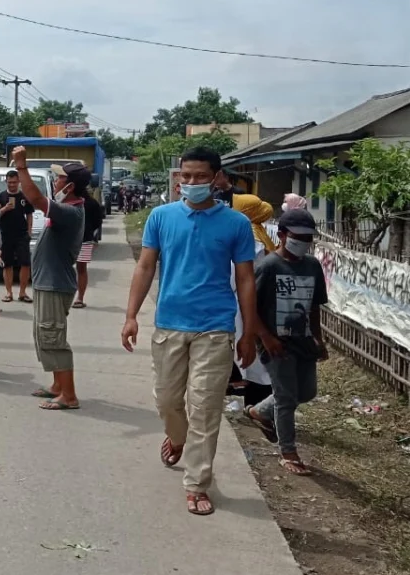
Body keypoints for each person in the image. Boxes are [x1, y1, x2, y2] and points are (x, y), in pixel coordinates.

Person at [121, 147, 262, 517]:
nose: (192, 183)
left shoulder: (236, 224)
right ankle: (178, 436)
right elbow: (145, 266)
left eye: (200, 176)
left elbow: (246, 279)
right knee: (167, 400)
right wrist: (131, 315)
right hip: (169, 324)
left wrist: (248, 332)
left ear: (216, 178)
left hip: (215, 328)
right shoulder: (161, 217)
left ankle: (197, 483)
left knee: (205, 408)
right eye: (186, 176)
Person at [244, 209, 328, 476]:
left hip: (303, 339)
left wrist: (318, 336)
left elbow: (314, 306)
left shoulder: (312, 266)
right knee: (286, 398)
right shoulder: (268, 267)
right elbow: (250, 307)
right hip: (275, 342)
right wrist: (265, 338)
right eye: (297, 236)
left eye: (308, 238)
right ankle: (288, 451)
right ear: (281, 235)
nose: (303, 242)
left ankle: (258, 412)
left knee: (306, 392)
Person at [9, 150, 87, 412]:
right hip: (47, 282)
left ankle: (69, 395)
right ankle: (57, 386)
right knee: (45, 335)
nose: (55, 183)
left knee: (53, 338)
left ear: (70, 186)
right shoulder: (69, 209)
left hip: (54, 284)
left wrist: (21, 167)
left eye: (59, 179)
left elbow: (34, 198)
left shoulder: (70, 211)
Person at [228, 194, 277, 404]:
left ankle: (254, 401)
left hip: (246, 299)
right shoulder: (257, 234)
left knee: (251, 352)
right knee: (251, 355)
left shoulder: (250, 235)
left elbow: (243, 274)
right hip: (251, 299)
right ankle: (254, 400)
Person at [0, 169, 35, 304]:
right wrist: (5, 208)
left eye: (14, 182)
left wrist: (29, 232)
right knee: (7, 264)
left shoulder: (24, 197)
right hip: (6, 234)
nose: (12, 185)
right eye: (9, 182)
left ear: (19, 181)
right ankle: (8, 292)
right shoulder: (1, 196)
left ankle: (22, 292)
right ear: (6, 181)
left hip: (22, 235)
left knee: (25, 263)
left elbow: (29, 215)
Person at [72, 190, 104, 309]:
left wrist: (89, 231)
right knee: (65, 268)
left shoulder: (91, 203)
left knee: (81, 268)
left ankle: (79, 298)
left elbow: (98, 221)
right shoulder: (66, 202)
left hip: (85, 240)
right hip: (66, 240)